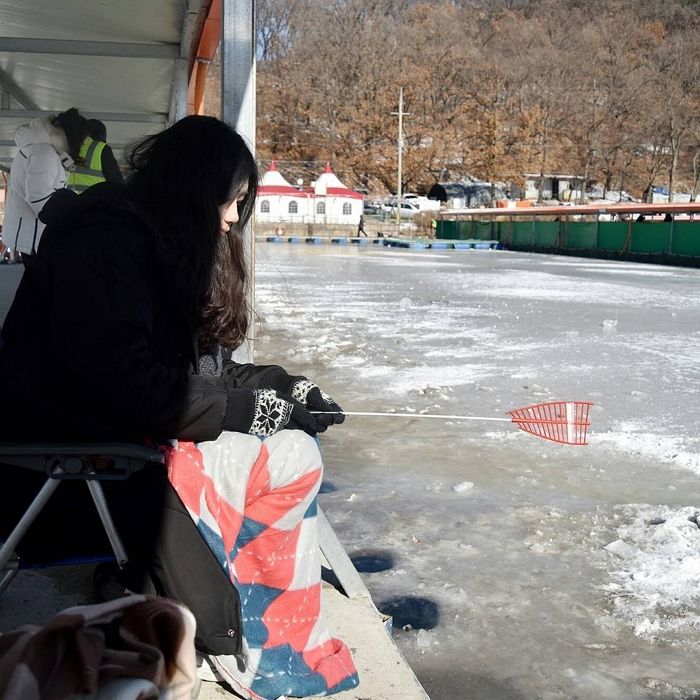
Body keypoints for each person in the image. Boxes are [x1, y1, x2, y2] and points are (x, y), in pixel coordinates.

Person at [0, 115, 359, 699]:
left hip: (113, 452)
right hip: (65, 473)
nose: (230, 221)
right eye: (230, 202)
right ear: (194, 190)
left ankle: (246, 618)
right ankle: (246, 635)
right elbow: (126, 385)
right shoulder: (106, 247)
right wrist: (248, 413)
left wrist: (283, 387)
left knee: (290, 441)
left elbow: (200, 371)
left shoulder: (152, 247)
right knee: (287, 456)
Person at [2, 112, 71, 268]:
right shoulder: (43, 154)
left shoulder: (39, 150)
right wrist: (64, 220)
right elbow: (40, 200)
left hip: (32, 232)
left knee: (36, 283)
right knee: (40, 284)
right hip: (35, 236)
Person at [65, 117, 124, 192]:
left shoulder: (70, 148)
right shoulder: (101, 148)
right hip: (95, 200)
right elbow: (116, 180)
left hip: (72, 200)